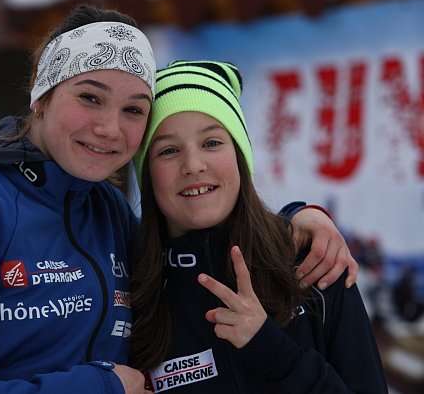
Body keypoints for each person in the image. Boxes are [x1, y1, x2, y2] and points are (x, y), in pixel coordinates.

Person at [0, 4, 356, 394]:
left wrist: (296, 220)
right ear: (41, 97)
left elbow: (196, 244)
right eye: (90, 98)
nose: (110, 128)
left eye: (133, 109)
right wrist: (98, 386)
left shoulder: (106, 210)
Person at [130, 60, 386, 393]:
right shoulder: (134, 294)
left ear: (240, 155)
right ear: (146, 173)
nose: (193, 165)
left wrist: (273, 351)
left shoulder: (314, 262)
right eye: (168, 150)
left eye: (211, 143)